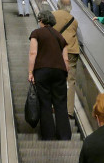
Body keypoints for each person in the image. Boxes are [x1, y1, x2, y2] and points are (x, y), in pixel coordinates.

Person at [28, 9, 71, 141]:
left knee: (45, 103)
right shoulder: (59, 36)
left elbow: (33, 53)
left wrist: (30, 72)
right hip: (59, 72)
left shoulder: (36, 33)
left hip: (42, 71)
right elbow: (66, 59)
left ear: (41, 20)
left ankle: (48, 135)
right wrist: (65, 73)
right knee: (60, 104)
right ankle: (64, 135)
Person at [52, 0, 80, 121]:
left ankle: (55, 106)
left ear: (59, 5)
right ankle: (69, 111)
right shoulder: (73, 20)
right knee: (70, 81)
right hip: (72, 51)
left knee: (55, 79)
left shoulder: (52, 16)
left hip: (57, 51)